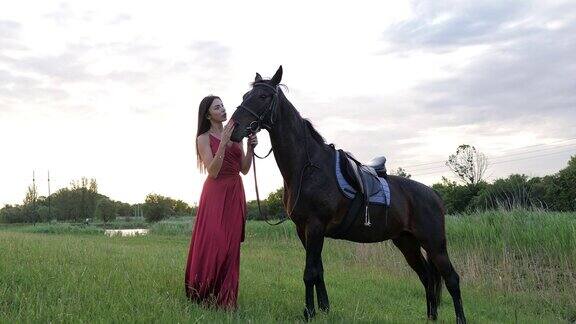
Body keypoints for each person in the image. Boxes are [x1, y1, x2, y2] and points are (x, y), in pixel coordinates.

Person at [184, 95, 257, 310]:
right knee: (215, 241)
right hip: (215, 193)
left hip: (235, 192)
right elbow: (213, 171)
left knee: (231, 246)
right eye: (217, 107)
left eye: (223, 105)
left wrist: (250, 148)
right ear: (208, 114)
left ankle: (226, 299)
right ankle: (203, 291)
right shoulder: (203, 138)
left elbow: (243, 168)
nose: (223, 109)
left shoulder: (237, 134)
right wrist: (223, 143)